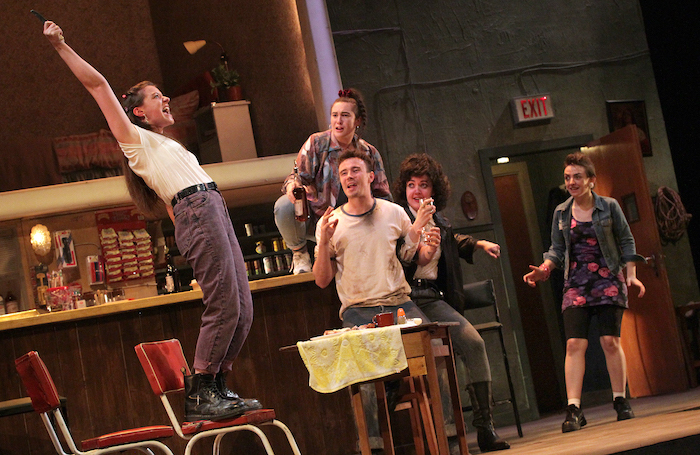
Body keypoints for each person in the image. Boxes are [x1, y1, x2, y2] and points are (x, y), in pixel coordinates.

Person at [42, 21, 260, 421]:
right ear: (138, 110)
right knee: (224, 303)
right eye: (158, 97)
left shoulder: (169, 146)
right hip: (200, 210)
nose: (166, 101)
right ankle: (200, 392)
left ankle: (218, 386)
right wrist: (61, 45)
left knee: (243, 308)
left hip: (211, 208)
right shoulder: (135, 140)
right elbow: (98, 86)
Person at [393, 153, 510, 452]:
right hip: (405, 300)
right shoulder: (396, 220)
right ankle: (446, 440)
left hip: (433, 298)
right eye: (411, 185)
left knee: (474, 343)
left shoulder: (440, 222)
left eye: (423, 185)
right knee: (435, 357)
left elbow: (452, 239)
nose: (417, 191)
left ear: (434, 191)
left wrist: (479, 243)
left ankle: (485, 428)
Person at [523, 152, 646, 433]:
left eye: (577, 177)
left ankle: (620, 400)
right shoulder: (561, 212)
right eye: (567, 177)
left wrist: (632, 277)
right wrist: (544, 269)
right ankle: (575, 409)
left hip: (607, 278)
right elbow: (557, 249)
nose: (571, 182)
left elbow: (626, 240)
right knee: (574, 345)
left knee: (609, 341)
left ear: (591, 180)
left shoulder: (609, 207)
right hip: (576, 282)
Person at [274, 89, 391, 274]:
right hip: (317, 217)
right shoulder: (316, 143)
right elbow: (296, 177)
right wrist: (292, 186)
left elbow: (383, 194)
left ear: (357, 121)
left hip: (356, 221)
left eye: (345, 115)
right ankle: (300, 253)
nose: (338, 121)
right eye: (335, 115)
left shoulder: (369, 152)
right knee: (284, 206)